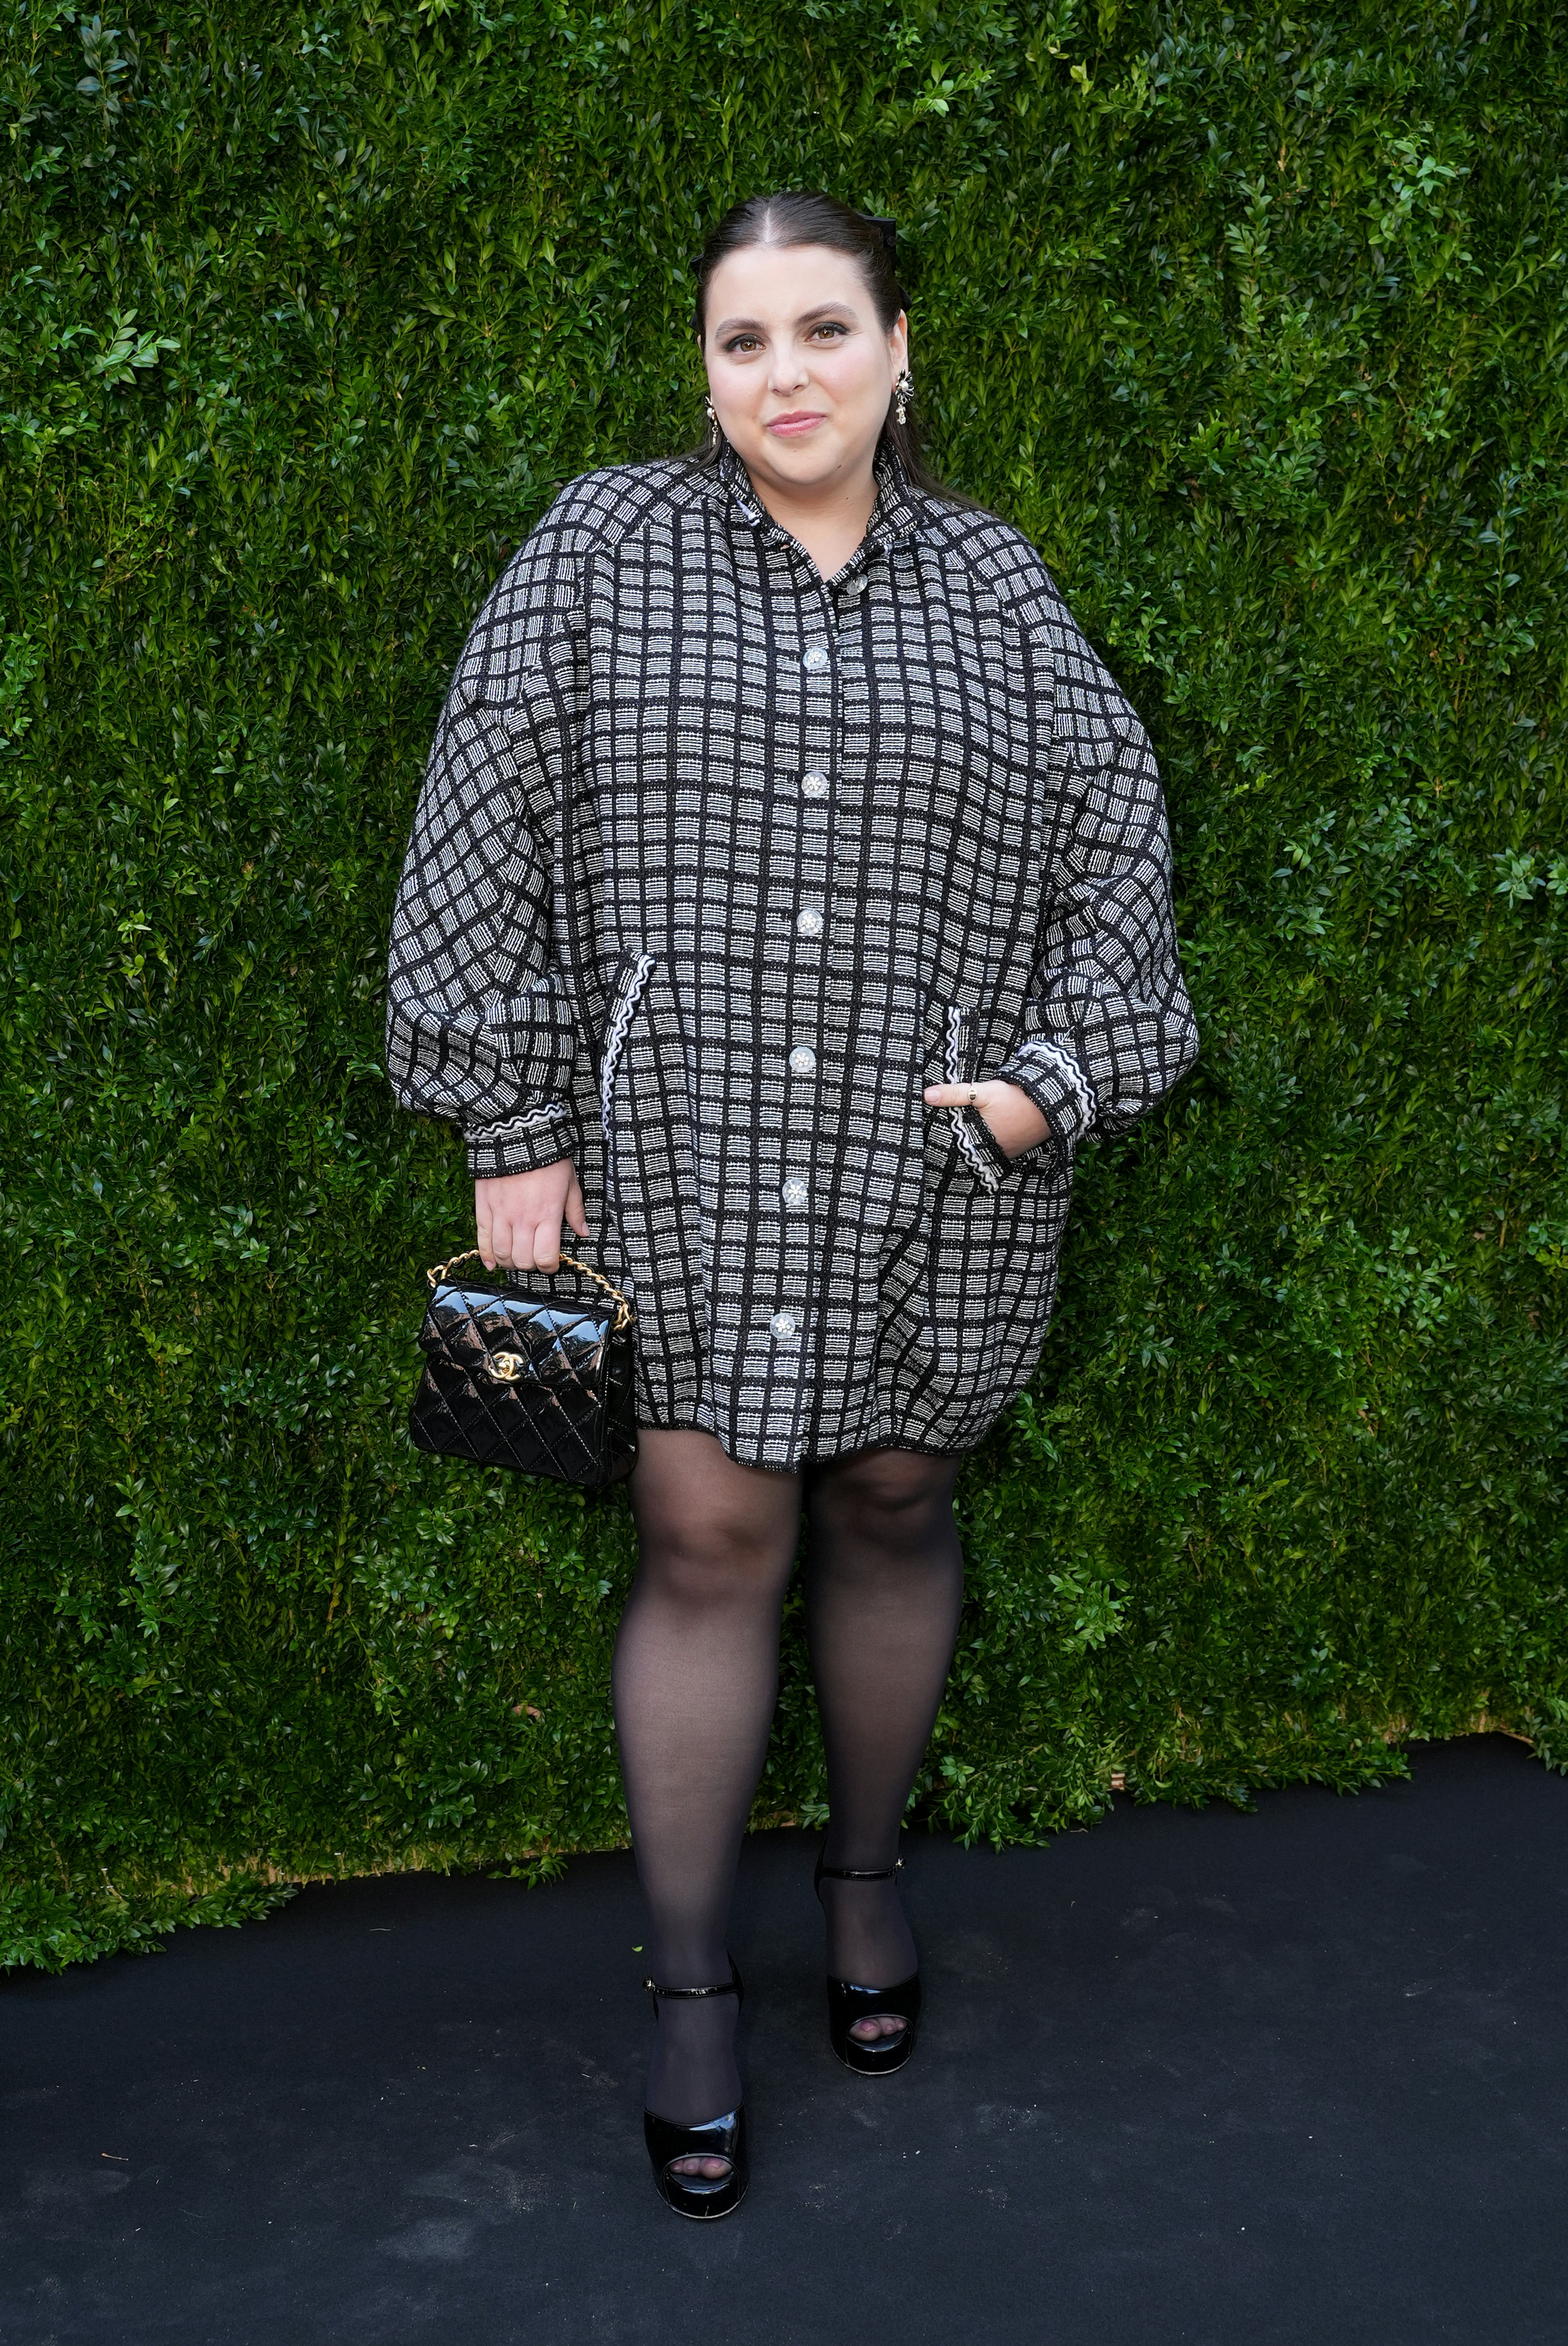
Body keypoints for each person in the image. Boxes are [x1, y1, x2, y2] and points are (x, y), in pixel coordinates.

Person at [385, 191, 1197, 2219]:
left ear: (901, 347)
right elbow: (479, 821)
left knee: (899, 1502)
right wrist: (509, 1119)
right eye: (744, 343)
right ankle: (685, 1994)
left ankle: (856, 1885)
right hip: (681, 1153)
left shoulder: (999, 593)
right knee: (709, 1528)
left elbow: (1125, 864)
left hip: (941, 1171)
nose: (787, 378)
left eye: (824, 330)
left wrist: (1048, 1089)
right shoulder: (599, 554)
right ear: (707, 369)